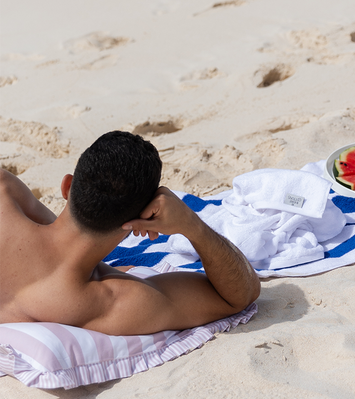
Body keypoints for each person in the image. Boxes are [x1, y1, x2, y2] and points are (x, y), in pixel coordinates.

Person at [0, 131, 260, 335]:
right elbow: (239, 295)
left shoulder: (4, 191)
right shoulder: (117, 301)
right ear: (141, 223)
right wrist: (193, 226)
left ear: (67, 186)